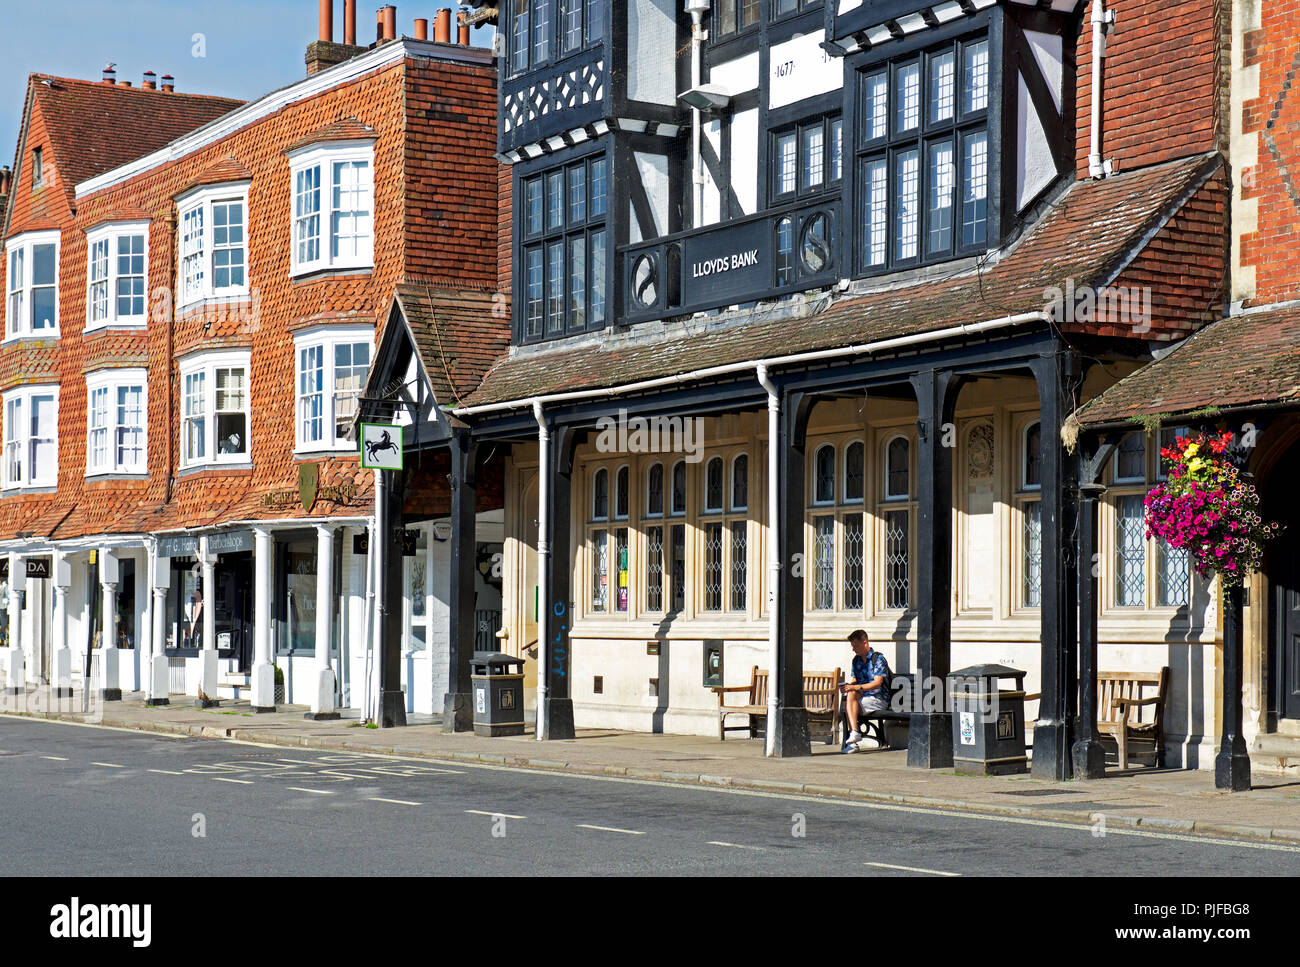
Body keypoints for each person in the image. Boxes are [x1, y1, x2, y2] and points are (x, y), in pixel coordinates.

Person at [840, 629, 891, 753]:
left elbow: (877, 683)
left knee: (850, 706)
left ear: (865, 643)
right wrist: (848, 686)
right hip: (863, 698)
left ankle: (854, 741)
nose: (854, 649)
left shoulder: (878, 659)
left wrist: (856, 687)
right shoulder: (856, 661)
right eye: (852, 646)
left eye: (856, 646)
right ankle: (855, 735)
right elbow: (854, 681)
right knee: (850, 698)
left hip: (878, 698)